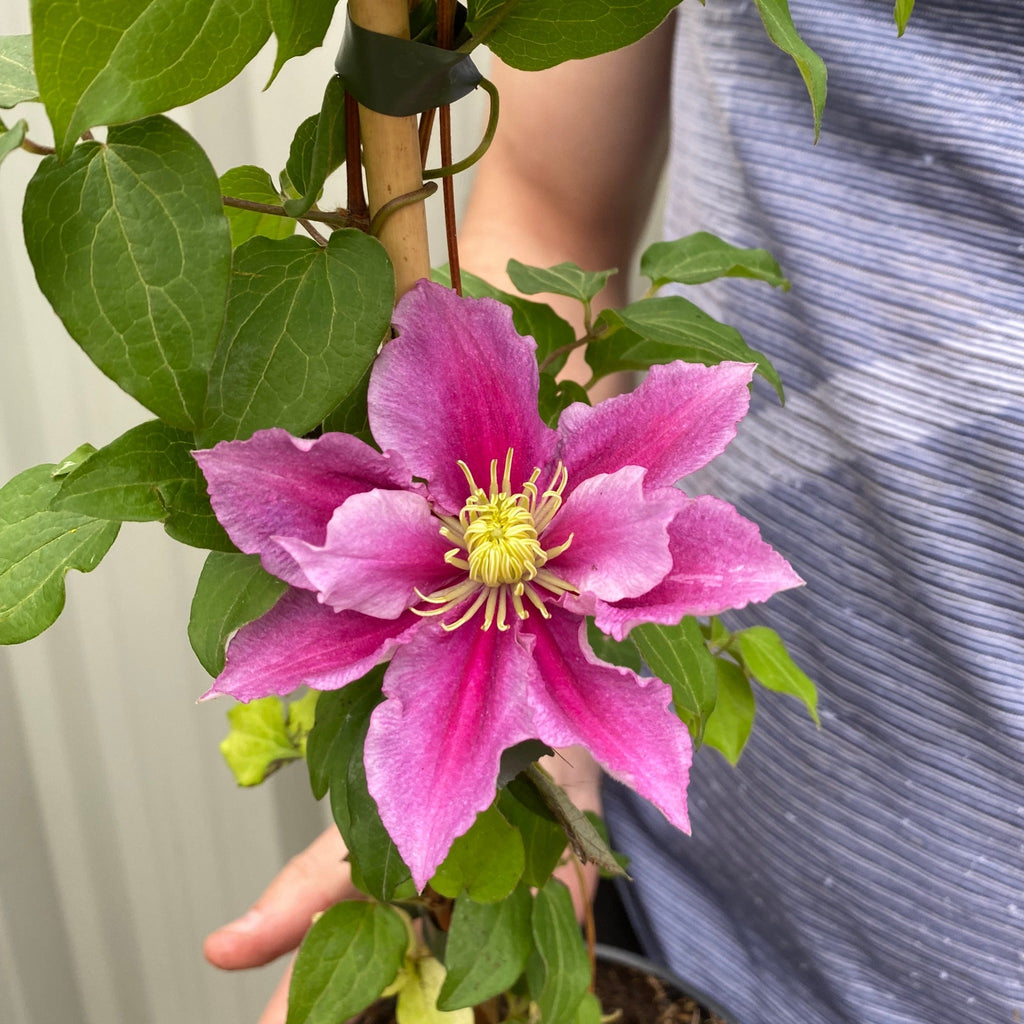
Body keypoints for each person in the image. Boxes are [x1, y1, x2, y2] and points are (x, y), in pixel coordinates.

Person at [204, 2, 1024, 1021]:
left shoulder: (602, 555)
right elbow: (542, 203)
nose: (495, 537)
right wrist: (522, 800)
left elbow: (712, 537)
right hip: (688, 925)